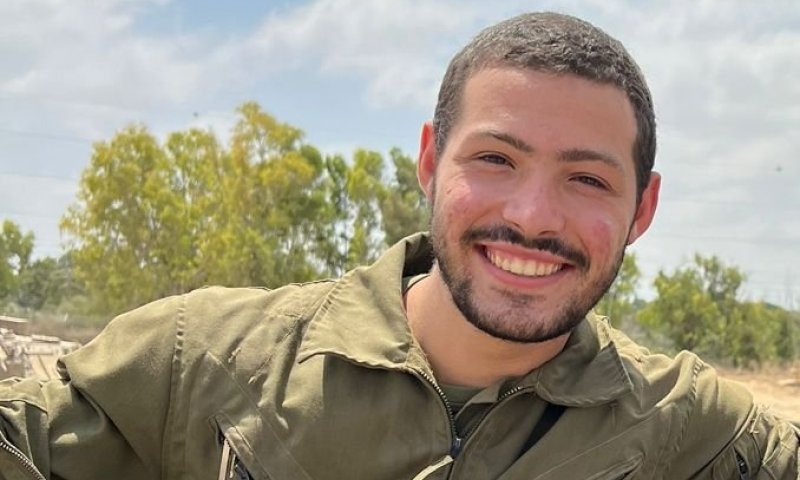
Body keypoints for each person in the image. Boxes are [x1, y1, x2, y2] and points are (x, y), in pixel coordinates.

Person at [1, 11, 798, 480]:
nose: (532, 216)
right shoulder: (201, 359)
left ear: (642, 208)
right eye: (496, 159)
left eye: (587, 178)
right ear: (429, 161)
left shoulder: (691, 425)